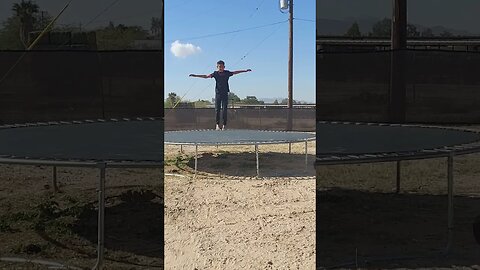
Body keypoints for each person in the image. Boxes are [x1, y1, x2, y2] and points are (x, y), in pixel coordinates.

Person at [189, 60, 252, 130]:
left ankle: (224, 125)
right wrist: (195, 75)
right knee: (217, 110)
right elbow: (206, 76)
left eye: (222, 66)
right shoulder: (215, 73)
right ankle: (217, 125)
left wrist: (245, 71)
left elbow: (235, 72)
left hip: (225, 93)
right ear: (217, 67)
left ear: (224, 67)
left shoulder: (227, 73)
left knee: (225, 110)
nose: (220, 68)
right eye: (219, 67)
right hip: (218, 93)